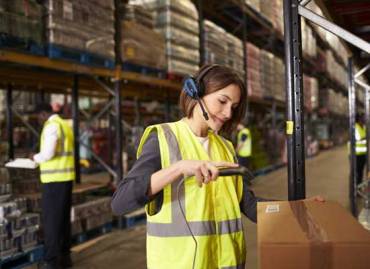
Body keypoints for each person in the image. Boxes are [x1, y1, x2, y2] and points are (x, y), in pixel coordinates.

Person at [111, 65, 323, 269]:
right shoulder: (164, 140)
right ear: (196, 94)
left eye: (234, 106)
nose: (228, 113)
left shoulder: (225, 147)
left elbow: (248, 205)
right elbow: (120, 202)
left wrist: (297, 210)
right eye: (222, 101)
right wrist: (179, 168)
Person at [32, 103, 75, 269]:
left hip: (54, 180)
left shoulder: (52, 126)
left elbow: (48, 153)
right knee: (63, 220)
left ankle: (51, 262)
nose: (38, 120)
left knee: (52, 222)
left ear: (43, 114)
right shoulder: (65, 124)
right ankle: (65, 258)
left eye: (38, 117)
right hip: (65, 178)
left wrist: (34, 158)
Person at [354, 113, 367, 186]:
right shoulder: (355, 127)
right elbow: (358, 138)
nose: (364, 119)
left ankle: (359, 188)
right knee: (355, 173)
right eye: (363, 118)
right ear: (359, 119)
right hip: (355, 154)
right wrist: (366, 137)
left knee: (361, 172)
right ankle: (354, 190)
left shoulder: (364, 127)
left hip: (363, 154)